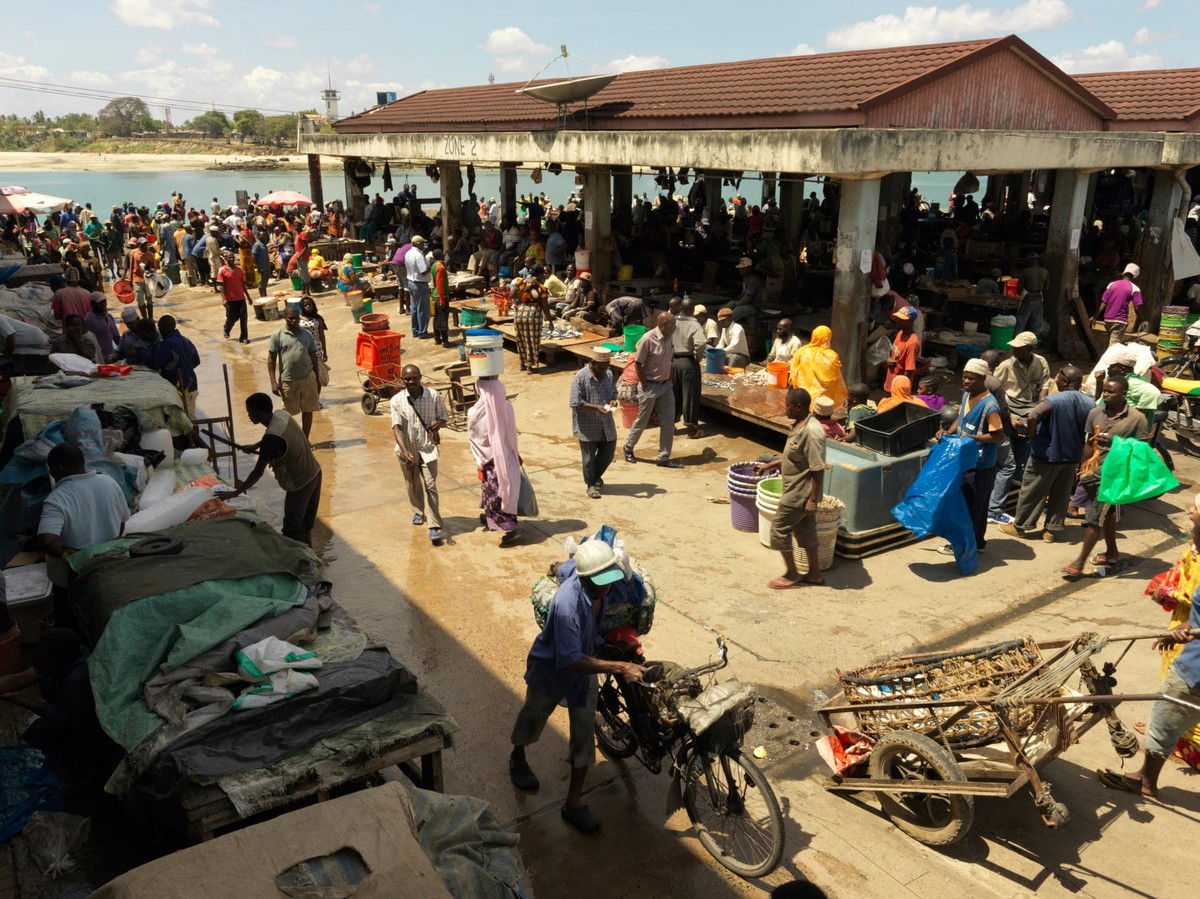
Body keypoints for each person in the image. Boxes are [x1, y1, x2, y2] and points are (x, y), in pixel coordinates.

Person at [508, 539, 644, 834]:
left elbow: (565, 567)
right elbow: (569, 660)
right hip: (552, 668)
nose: (608, 586)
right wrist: (619, 667)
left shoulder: (591, 576)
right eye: (602, 581)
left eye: (610, 577)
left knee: (583, 734)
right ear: (586, 579)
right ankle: (517, 756)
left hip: (585, 668)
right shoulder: (568, 604)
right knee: (533, 716)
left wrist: (554, 566)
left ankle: (572, 804)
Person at [1096, 520, 1200, 797]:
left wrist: (1192, 634)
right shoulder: (1194, 552)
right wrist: (1188, 628)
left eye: (1196, 516)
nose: (1190, 518)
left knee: (1163, 718)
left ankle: (1145, 781)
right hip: (1191, 651)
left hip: (1195, 670)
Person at [0, 629, 118, 781]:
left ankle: (83, 772)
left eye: (38, 655)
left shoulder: (77, 680)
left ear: (57, 660)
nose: (33, 658)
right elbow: (20, 680)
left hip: (92, 730)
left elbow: (59, 715)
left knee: (38, 732)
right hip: (73, 711)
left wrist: (16, 698)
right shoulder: (70, 655)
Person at [1062, 377, 1149, 579]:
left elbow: (1143, 450)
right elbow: (1088, 443)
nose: (1106, 395)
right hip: (1092, 474)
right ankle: (1112, 552)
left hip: (1114, 478)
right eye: (1106, 391)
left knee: (1095, 518)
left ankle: (1079, 563)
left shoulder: (1137, 418)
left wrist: (1119, 446)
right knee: (1106, 514)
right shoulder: (1094, 413)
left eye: (1112, 392)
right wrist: (1081, 471)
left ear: (1124, 394)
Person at [1000, 365, 1092, 543]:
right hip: (1072, 455)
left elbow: (1033, 416)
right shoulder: (1089, 402)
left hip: (1046, 454)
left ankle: (1020, 527)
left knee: (1032, 491)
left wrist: (1033, 436)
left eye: (1058, 376)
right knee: (1062, 493)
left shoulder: (1052, 400)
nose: (1055, 379)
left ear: (1064, 380)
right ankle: (1051, 530)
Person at [217, 393, 323, 546]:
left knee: (292, 529)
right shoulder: (282, 415)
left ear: (259, 413)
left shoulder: (271, 439)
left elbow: (257, 472)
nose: (248, 416)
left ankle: (303, 563)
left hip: (301, 483)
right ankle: (312, 556)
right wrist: (256, 445)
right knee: (306, 524)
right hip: (315, 472)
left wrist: (235, 492)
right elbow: (276, 435)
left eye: (250, 412)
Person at [755, 388, 826, 589]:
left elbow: (818, 468)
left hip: (800, 493)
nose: (784, 408)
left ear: (798, 407)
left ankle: (792, 574)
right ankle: (814, 574)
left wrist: (812, 500)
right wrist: (769, 465)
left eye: (786, 405)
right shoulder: (799, 425)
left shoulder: (812, 432)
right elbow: (792, 456)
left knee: (778, 529)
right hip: (795, 489)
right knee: (805, 531)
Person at [38, 443, 129, 591]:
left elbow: (47, 541)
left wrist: (64, 554)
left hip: (73, 579)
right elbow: (122, 523)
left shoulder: (57, 498)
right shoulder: (109, 482)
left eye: (50, 468)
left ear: (59, 469)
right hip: (109, 565)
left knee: (70, 612)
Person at [940, 358, 1004, 555]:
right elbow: (961, 419)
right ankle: (974, 542)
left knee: (974, 507)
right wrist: (949, 431)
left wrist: (973, 437)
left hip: (981, 465)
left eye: (971, 379)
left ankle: (968, 544)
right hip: (965, 461)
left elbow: (998, 435)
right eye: (964, 377)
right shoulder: (967, 395)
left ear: (983, 379)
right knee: (966, 504)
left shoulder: (990, 406)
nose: (966, 382)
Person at [988, 332, 1050, 525]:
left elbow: (1045, 386)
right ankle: (995, 507)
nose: (1014, 350)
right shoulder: (1006, 366)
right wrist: (1010, 418)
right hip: (1010, 412)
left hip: (1030, 411)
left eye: (1019, 347)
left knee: (1024, 454)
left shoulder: (1041, 362)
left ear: (1031, 348)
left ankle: (1015, 494)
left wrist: (1041, 409)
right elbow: (996, 391)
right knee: (1009, 461)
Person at [390, 365, 449, 544]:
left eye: (414, 378)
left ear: (420, 377)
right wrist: (405, 450)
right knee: (412, 482)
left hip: (428, 449)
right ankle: (417, 511)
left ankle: (434, 526)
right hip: (407, 450)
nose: (411, 382)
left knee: (430, 485)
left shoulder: (433, 396)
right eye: (407, 379)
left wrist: (438, 424)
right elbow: (397, 428)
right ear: (402, 380)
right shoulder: (396, 400)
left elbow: (444, 417)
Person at [469, 378, 522, 545]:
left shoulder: (474, 412)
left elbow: (475, 437)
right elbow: (511, 435)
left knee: (494, 494)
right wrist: (515, 453)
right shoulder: (507, 407)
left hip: (489, 462)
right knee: (505, 491)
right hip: (506, 458)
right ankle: (493, 519)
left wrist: (483, 456)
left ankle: (509, 527)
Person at [624, 312, 681, 468]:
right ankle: (628, 447)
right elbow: (638, 363)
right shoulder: (648, 339)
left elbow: (670, 359)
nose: (675, 327)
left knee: (669, 422)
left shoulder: (669, 338)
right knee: (642, 420)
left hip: (666, 386)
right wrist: (645, 384)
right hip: (650, 386)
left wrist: (669, 378)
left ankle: (663, 457)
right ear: (663, 325)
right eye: (673, 324)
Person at [570, 346, 618, 499]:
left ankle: (595, 475)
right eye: (601, 367)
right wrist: (595, 407)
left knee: (608, 453)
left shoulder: (609, 375)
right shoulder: (580, 377)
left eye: (606, 367)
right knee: (589, 457)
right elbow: (575, 402)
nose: (604, 370)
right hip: (587, 425)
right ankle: (590, 484)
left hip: (606, 423)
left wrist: (613, 401)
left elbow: (613, 393)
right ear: (593, 363)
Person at [268, 307, 321, 438]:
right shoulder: (277, 335)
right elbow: (271, 359)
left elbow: (313, 357)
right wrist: (273, 381)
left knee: (308, 410)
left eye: (296, 317)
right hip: (288, 380)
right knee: (287, 414)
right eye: (290, 318)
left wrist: (317, 379)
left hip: (308, 378)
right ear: (284, 318)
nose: (294, 320)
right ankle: (290, 442)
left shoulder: (306, 335)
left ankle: (305, 440)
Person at [143, 315, 201, 420]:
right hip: (191, 384)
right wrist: (185, 366)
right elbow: (197, 361)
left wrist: (141, 352)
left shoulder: (167, 344)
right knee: (189, 417)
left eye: (160, 329)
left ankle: (193, 435)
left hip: (183, 388)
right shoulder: (186, 340)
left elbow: (155, 363)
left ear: (163, 329)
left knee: (188, 420)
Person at [672, 298, 708, 439]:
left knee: (674, 394)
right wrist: (697, 357)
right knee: (690, 396)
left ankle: (671, 425)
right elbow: (700, 344)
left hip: (673, 361)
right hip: (688, 362)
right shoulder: (694, 325)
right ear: (693, 310)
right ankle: (691, 430)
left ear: (681, 307)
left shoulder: (672, 320)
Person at [789, 325, 848, 411]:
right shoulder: (831, 356)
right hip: (821, 402)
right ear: (827, 339)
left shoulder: (802, 351)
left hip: (803, 398)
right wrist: (845, 395)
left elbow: (794, 374)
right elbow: (836, 379)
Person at [512, 267, 554, 373]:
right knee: (532, 340)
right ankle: (530, 367)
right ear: (539, 275)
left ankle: (522, 364)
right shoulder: (541, 288)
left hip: (519, 314)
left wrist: (522, 292)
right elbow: (545, 307)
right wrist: (550, 321)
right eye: (543, 274)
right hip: (533, 315)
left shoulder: (520, 282)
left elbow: (512, 295)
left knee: (521, 339)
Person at [1101, 345, 1161, 417]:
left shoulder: (1131, 382)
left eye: (1111, 366)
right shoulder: (1119, 382)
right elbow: (1100, 403)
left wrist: (1136, 416)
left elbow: (1153, 392)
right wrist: (1099, 381)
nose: (1108, 369)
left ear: (1122, 369)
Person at [1094, 263, 1143, 345]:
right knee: (1114, 346)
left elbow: (1104, 302)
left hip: (1107, 320)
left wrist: (1095, 316)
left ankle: (1105, 356)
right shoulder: (1135, 288)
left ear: (1124, 272)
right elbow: (1137, 307)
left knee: (1111, 341)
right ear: (1135, 276)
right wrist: (1141, 319)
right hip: (1120, 320)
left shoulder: (1111, 285)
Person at [884, 304, 922, 392]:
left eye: (902, 319)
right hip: (891, 381)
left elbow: (909, 370)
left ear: (910, 321)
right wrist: (889, 359)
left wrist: (900, 389)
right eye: (898, 318)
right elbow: (893, 351)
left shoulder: (912, 343)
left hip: (899, 387)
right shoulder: (900, 333)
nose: (898, 321)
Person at [217, 249, 250, 344]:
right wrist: (224, 299)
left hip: (241, 298)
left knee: (244, 318)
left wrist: (248, 296)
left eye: (233, 257)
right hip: (231, 300)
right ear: (226, 259)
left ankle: (243, 337)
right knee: (232, 318)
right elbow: (221, 286)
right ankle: (226, 329)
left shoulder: (239, 269)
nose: (232, 259)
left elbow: (242, 284)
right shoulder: (222, 270)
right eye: (230, 257)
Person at [1015, 253, 1049, 336]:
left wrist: (1020, 294)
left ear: (1030, 261)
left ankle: (1016, 341)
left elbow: (1020, 287)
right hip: (1038, 298)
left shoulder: (1026, 271)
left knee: (1021, 321)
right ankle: (1034, 344)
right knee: (1036, 323)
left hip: (1028, 298)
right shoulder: (1045, 271)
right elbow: (1046, 288)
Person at [405, 234, 432, 338]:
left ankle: (415, 330)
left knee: (414, 308)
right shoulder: (418, 255)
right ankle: (422, 332)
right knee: (423, 309)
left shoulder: (408, 253)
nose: (423, 245)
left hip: (411, 282)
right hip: (419, 284)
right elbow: (423, 271)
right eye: (422, 243)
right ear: (418, 243)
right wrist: (430, 264)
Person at [126, 237, 157, 320]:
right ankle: (144, 318)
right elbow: (131, 267)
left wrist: (149, 269)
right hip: (137, 278)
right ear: (139, 245)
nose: (145, 247)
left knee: (149, 299)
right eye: (143, 245)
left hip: (148, 279)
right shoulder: (133, 253)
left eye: (146, 245)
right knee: (140, 299)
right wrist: (130, 279)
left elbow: (154, 267)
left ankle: (150, 318)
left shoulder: (150, 255)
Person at [84, 294, 120, 362]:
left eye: (104, 302)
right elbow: (86, 339)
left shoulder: (109, 316)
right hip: (98, 357)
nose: (104, 304)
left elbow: (116, 337)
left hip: (111, 355)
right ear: (93, 304)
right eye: (100, 303)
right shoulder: (88, 319)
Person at [430, 249, 452, 346]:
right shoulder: (440, 268)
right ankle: (445, 341)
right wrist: (442, 299)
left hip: (436, 295)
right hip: (441, 296)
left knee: (437, 318)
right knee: (443, 318)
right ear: (441, 256)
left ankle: (437, 339)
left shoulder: (434, 266)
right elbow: (439, 284)